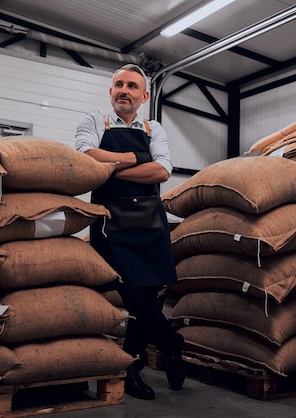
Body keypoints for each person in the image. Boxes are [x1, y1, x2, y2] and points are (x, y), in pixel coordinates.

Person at [75, 64, 186, 400]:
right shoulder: (94, 121)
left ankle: (133, 369)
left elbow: (163, 171)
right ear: (111, 91)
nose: (124, 90)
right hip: (112, 227)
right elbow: (85, 156)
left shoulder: (155, 128)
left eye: (132, 86)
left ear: (144, 95)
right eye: (119, 85)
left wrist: (112, 170)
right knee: (131, 295)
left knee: (147, 299)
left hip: (150, 226)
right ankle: (172, 344)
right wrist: (133, 157)